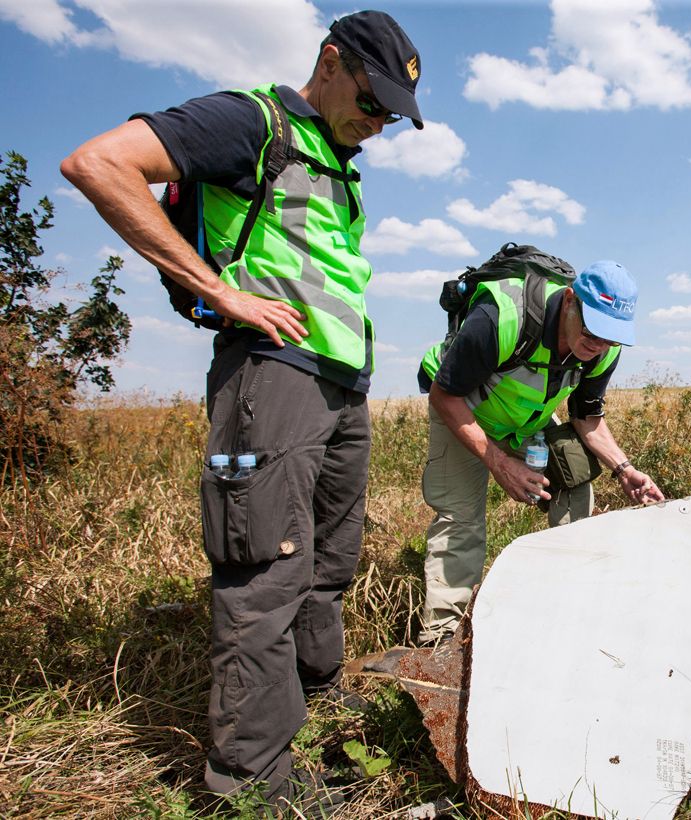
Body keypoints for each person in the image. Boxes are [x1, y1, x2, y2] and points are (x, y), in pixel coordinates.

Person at [61, 10, 424, 802]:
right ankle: (252, 785)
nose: (380, 122)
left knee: (327, 560)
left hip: (338, 383)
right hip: (271, 378)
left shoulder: (334, 156)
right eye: (373, 101)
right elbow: (99, 164)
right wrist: (219, 290)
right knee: (265, 570)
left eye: (393, 115)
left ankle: (316, 697)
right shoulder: (251, 121)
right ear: (331, 61)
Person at [416, 260, 666, 645]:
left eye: (610, 337)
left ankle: (566, 602)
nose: (597, 345)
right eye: (592, 329)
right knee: (462, 519)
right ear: (569, 301)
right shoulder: (502, 318)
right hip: (463, 408)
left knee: (577, 478)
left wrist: (624, 469)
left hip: (524, 421)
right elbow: (444, 395)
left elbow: (586, 418)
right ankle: (441, 640)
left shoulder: (603, 351)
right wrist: (499, 464)